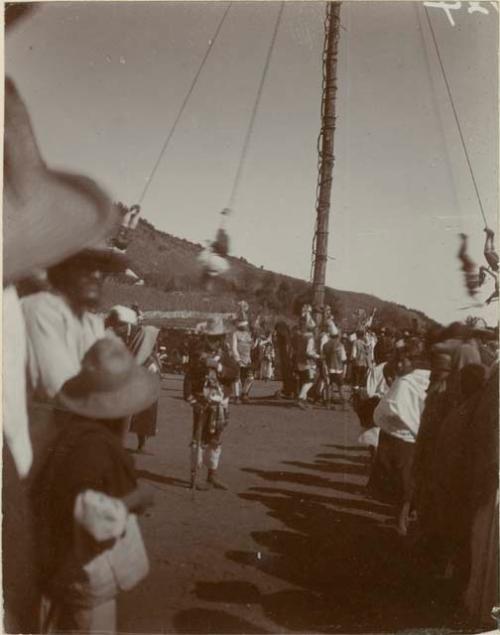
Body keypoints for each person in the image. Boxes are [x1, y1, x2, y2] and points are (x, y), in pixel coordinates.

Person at [3, 76, 121, 633]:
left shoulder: (89, 318)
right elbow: (63, 389)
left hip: (71, 464)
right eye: (89, 266)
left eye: (104, 269)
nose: (97, 276)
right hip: (45, 466)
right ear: (62, 265)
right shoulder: (44, 310)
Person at [33, 338, 159, 633]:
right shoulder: (93, 448)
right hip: (83, 575)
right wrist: (136, 498)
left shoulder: (72, 434)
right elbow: (94, 517)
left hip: (58, 564)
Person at [372, 349, 431, 535]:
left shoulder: (408, 382)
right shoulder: (414, 381)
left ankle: (401, 521)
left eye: (403, 361)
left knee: (405, 484)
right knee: (404, 483)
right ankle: (402, 519)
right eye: (398, 361)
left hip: (404, 439)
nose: (399, 365)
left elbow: (392, 408)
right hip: (403, 438)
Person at [186, 317, 239, 490]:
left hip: (220, 402)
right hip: (201, 401)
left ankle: (212, 475)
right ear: (206, 337)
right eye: (211, 337)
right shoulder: (197, 355)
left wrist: (219, 368)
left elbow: (235, 373)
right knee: (198, 438)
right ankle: (195, 475)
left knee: (215, 438)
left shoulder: (226, 356)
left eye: (217, 338)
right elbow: (189, 377)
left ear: (222, 338)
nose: (214, 342)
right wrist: (191, 398)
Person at [128, 326, 162, 452]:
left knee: (147, 417)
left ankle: (142, 443)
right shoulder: (144, 357)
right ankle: (141, 445)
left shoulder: (150, 355)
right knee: (143, 418)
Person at [294, 313, 319, 409]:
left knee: (304, 380)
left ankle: (303, 399)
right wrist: (317, 356)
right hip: (307, 362)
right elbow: (308, 352)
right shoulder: (310, 338)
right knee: (310, 381)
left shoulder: (301, 336)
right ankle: (300, 399)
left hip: (299, 361)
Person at [231, 302, 254, 404]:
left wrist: (255, 342)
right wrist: (237, 358)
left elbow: (251, 346)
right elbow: (234, 347)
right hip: (238, 359)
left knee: (250, 378)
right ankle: (236, 397)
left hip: (247, 359)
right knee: (236, 378)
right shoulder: (235, 334)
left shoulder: (248, 334)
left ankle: (244, 393)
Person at [322, 331, 347, 410]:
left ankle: (328, 404)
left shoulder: (325, 345)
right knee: (340, 387)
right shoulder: (340, 345)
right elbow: (343, 358)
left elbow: (323, 357)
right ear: (337, 336)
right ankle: (344, 405)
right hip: (338, 369)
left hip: (328, 368)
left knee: (328, 386)